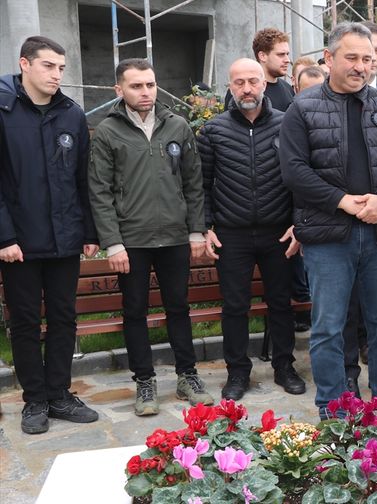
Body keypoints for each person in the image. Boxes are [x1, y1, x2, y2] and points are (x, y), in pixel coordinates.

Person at [280, 22, 377, 419]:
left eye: (368, 59)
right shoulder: (302, 109)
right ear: (329, 58)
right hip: (328, 239)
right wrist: (343, 202)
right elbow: (294, 171)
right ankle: (333, 409)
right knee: (328, 329)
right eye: (352, 58)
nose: (361, 67)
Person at [89, 58, 214, 416]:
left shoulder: (177, 126)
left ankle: (187, 375)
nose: (145, 92)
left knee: (179, 307)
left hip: (175, 237)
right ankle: (144, 382)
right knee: (135, 312)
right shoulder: (109, 131)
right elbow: (100, 191)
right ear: (119, 90)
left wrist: (195, 232)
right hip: (132, 241)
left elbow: (193, 183)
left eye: (150, 85)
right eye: (136, 86)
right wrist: (112, 242)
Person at [0, 35, 100, 434]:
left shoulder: (71, 114)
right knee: (24, 322)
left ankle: (59, 394)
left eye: (61, 67)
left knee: (63, 318)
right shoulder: (3, 110)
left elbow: (81, 179)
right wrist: (4, 237)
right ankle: (34, 400)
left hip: (65, 239)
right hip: (19, 244)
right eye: (48, 66)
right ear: (25, 64)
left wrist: (88, 231)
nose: (57, 74)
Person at [198, 58, 305, 401]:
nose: (247, 88)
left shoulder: (288, 124)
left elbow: (301, 180)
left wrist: (297, 224)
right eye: (239, 82)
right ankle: (237, 373)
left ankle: (284, 367)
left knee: (281, 304)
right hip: (232, 234)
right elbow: (200, 184)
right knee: (234, 306)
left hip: (279, 232)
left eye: (253, 81)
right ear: (229, 87)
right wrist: (204, 227)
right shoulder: (213, 131)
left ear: (264, 83)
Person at [225, 28, 293, 111]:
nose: (287, 60)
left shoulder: (288, 89)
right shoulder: (242, 92)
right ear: (262, 56)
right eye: (281, 54)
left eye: (287, 54)